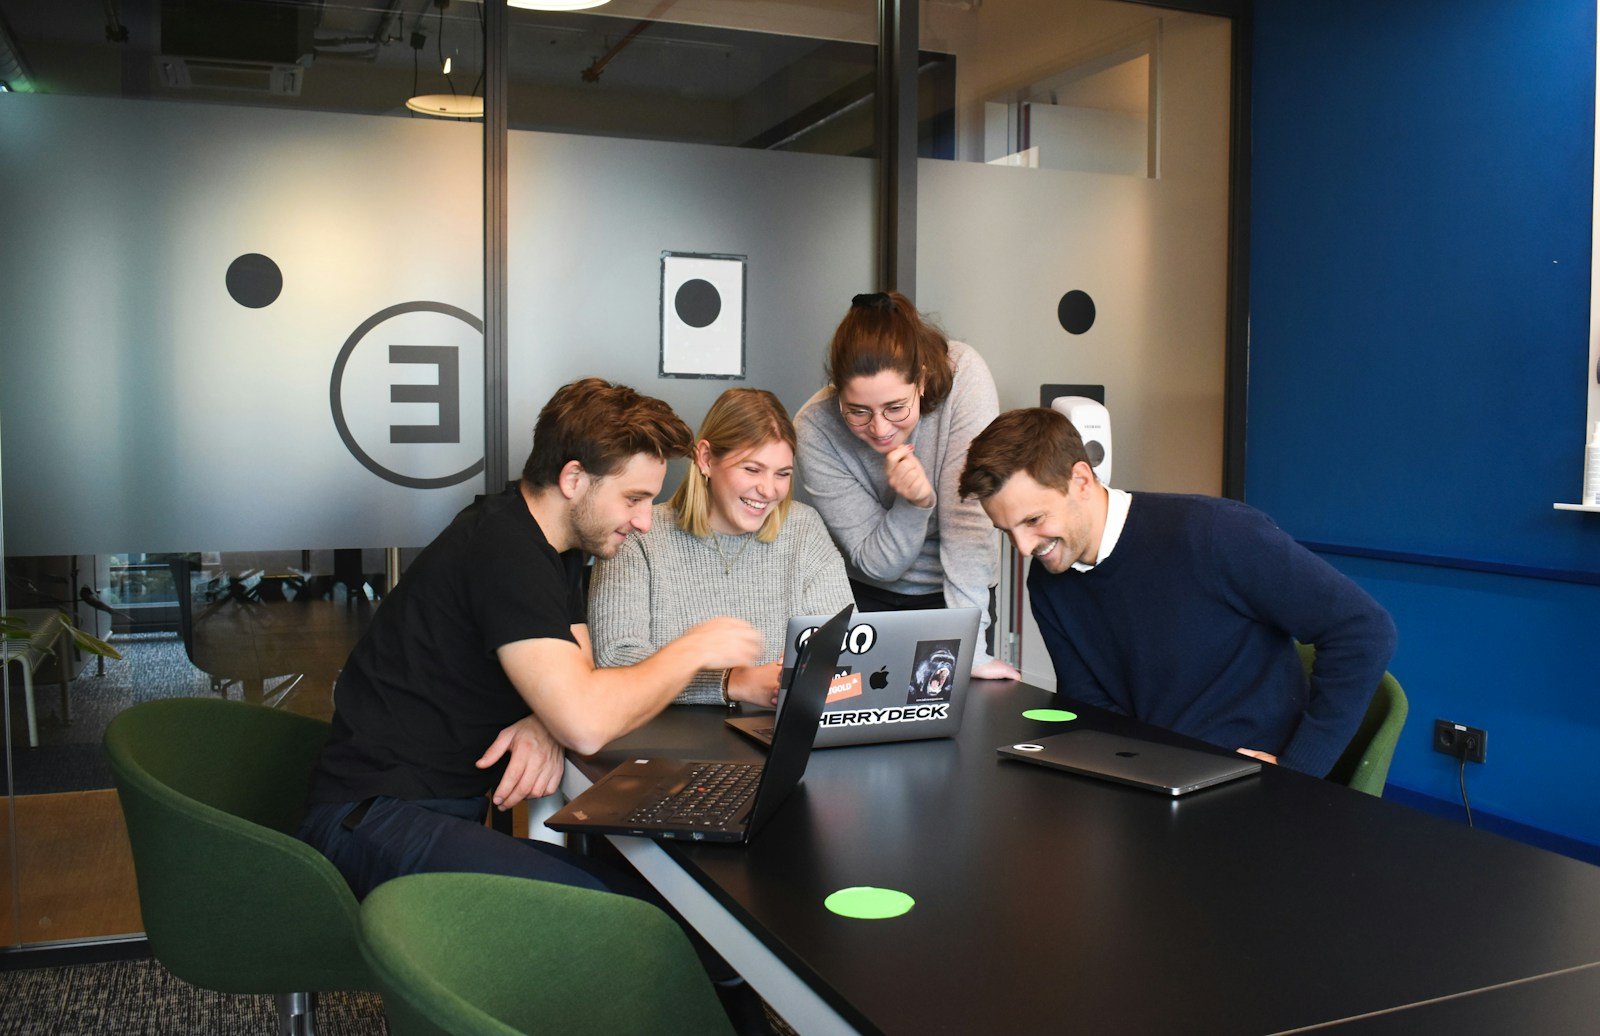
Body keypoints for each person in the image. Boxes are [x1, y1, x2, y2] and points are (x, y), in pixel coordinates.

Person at [297, 377, 763, 899]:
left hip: (429, 811)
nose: (643, 522)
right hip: (371, 821)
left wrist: (547, 718)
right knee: (635, 914)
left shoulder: (552, 545)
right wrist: (694, 649)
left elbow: (579, 669)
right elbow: (587, 724)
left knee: (656, 898)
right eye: (633, 498)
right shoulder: (504, 548)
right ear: (573, 478)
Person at [958, 407, 1397, 777]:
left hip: (1250, 783)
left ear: (1082, 480)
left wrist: (1299, 770)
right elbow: (1091, 708)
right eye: (1006, 531)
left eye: (1033, 520)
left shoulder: (1212, 533)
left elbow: (1363, 630)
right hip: (1157, 780)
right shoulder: (1050, 582)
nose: (1023, 547)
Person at [795, 291, 1020, 680]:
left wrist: (972, 650)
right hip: (868, 596)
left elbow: (969, 523)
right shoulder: (815, 429)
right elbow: (878, 563)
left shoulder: (964, 374)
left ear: (922, 380)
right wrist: (915, 504)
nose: (880, 429)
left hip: (962, 595)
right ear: (837, 392)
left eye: (895, 408)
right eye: (858, 412)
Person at [589, 387, 852, 707]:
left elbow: (848, 653)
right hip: (661, 738)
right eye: (752, 469)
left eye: (782, 474)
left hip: (771, 734)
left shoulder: (803, 530)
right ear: (706, 458)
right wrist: (731, 682)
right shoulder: (637, 533)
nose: (768, 490)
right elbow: (615, 661)